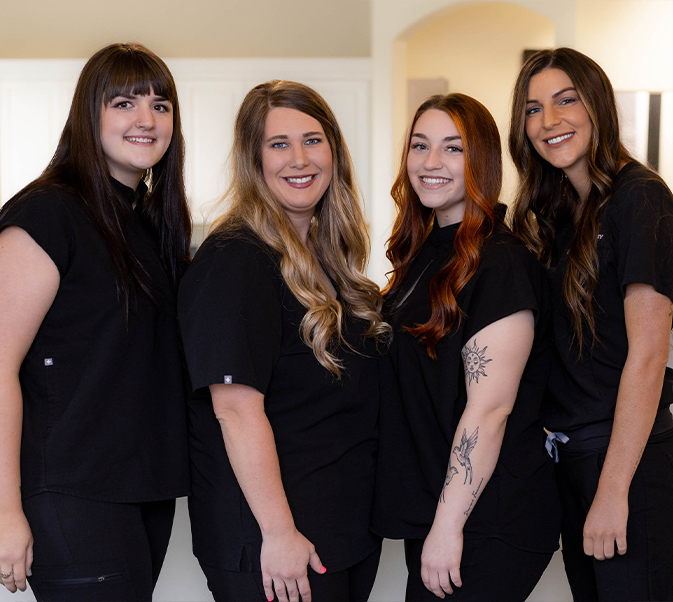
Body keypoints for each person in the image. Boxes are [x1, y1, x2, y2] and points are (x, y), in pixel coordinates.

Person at [178, 80, 391, 602]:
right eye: (278, 144)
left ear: (334, 151)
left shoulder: (331, 263)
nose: (299, 159)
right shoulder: (235, 260)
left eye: (313, 140)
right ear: (254, 159)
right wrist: (278, 533)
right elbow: (235, 411)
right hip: (276, 545)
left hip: (340, 532)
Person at [0, 43, 191, 601]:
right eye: (124, 103)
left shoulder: (153, 227)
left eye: (160, 105)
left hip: (144, 488)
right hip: (71, 490)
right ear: (91, 114)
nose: (145, 120)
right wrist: (6, 509)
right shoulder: (47, 212)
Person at [371, 93, 561, 601]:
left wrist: (447, 527)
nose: (431, 163)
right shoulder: (426, 251)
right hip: (443, 507)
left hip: (490, 518)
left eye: (453, 149)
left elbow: (490, 410)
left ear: (482, 161)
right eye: (420, 145)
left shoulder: (501, 263)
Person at [509, 47, 673, 602]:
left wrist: (612, 490)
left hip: (627, 462)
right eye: (533, 109)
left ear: (597, 104)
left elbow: (649, 355)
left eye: (566, 100)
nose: (549, 121)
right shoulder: (554, 213)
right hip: (570, 459)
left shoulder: (641, 198)